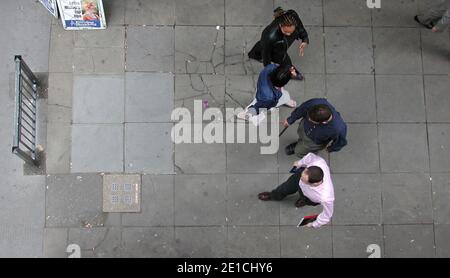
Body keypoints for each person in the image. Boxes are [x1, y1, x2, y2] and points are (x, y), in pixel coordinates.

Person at [258, 153, 334, 228]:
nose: (301, 178)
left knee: (306, 200)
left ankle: (303, 201)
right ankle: (274, 195)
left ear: (314, 184)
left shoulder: (326, 197)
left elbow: (327, 216)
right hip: (300, 184)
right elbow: (310, 157)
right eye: (303, 174)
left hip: (310, 198)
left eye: (303, 180)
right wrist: (300, 163)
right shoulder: (318, 162)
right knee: (285, 187)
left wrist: (314, 224)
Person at [248, 7, 309, 81]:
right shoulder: (269, 36)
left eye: (291, 31)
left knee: (262, 45)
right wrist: (269, 71)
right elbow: (266, 56)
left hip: (277, 43)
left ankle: (254, 55)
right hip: (277, 49)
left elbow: (300, 28)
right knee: (285, 61)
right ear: (280, 25)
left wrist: (304, 39)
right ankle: (290, 73)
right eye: (286, 32)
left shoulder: (293, 16)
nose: (288, 34)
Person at [283, 98, 347, 158]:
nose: (308, 119)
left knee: (299, 152)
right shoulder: (315, 103)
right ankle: (299, 144)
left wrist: (331, 148)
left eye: (312, 120)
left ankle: (307, 158)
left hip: (314, 142)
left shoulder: (338, 129)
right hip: (304, 127)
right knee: (300, 135)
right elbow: (302, 109)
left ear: (324, 122)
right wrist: (290, 120)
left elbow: (340, 142)